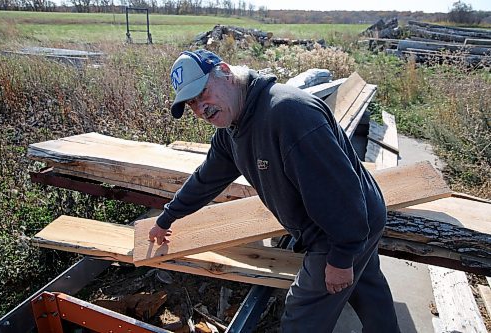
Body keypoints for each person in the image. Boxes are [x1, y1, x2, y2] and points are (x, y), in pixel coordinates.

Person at [149, 49, 400, 332]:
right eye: (191, 104)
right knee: (369, 291)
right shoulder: (232, 130)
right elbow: (205, 180)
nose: (200, 109)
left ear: (226, 72)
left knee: (303, 314)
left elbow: (338, 192)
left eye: (203, 93)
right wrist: (167, 218)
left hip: (340, 228)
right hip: (353, 220)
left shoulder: (288, 113)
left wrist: (341, 256)